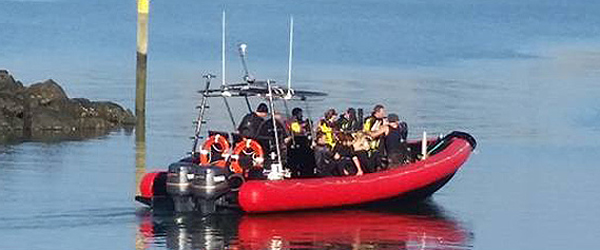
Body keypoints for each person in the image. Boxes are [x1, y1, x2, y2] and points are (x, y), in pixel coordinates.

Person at [362, 104, 388, 171]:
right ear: (377, 112)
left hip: (380, 145)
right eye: (382, 112)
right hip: (372, 146)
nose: (384, 114)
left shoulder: (382, 120)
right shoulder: (371, 120)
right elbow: (368, 132)